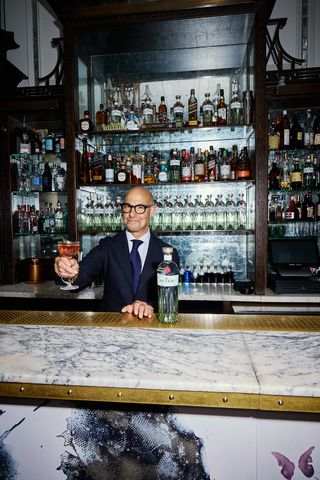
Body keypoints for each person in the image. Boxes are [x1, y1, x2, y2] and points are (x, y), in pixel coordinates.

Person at [54, 186, 179, 318]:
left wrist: (149, 306)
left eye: (140, 207)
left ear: (152, 210)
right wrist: (67, 272)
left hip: (151, 327)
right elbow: (82, 274)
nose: (132, 214)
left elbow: (169, 297)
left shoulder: (167, 253)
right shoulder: (108, 246)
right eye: (127, 207)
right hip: (111, 326)